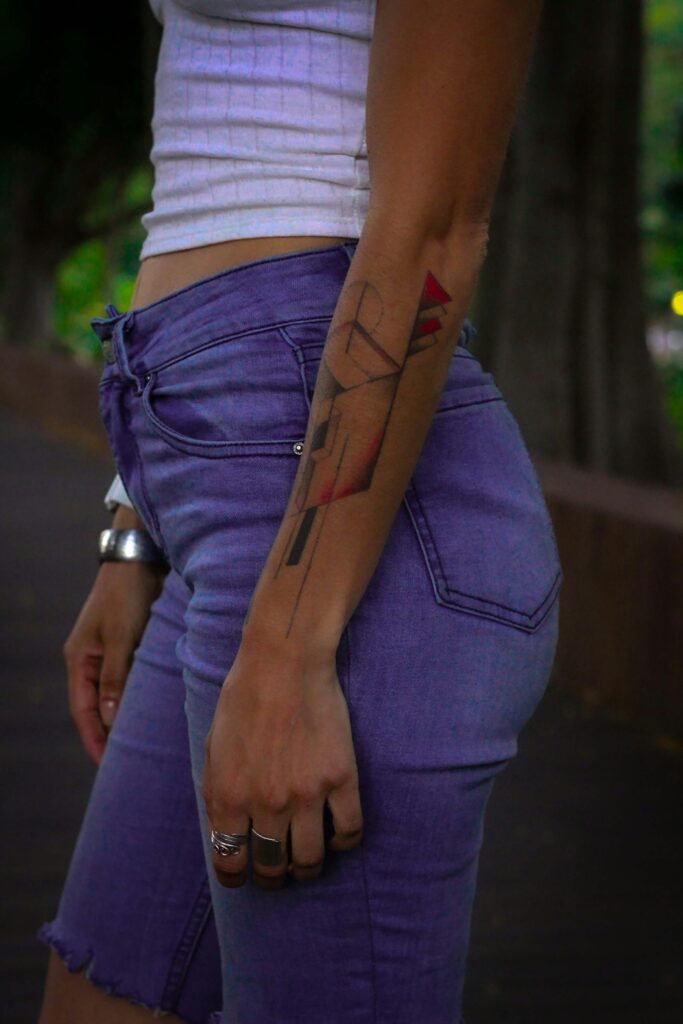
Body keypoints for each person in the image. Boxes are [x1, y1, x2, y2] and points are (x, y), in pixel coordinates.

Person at [36, 1, 562, 1021]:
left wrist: (290, 647)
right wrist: (135, 527)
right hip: (219, 487)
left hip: (345, 543)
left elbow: (436, 226)